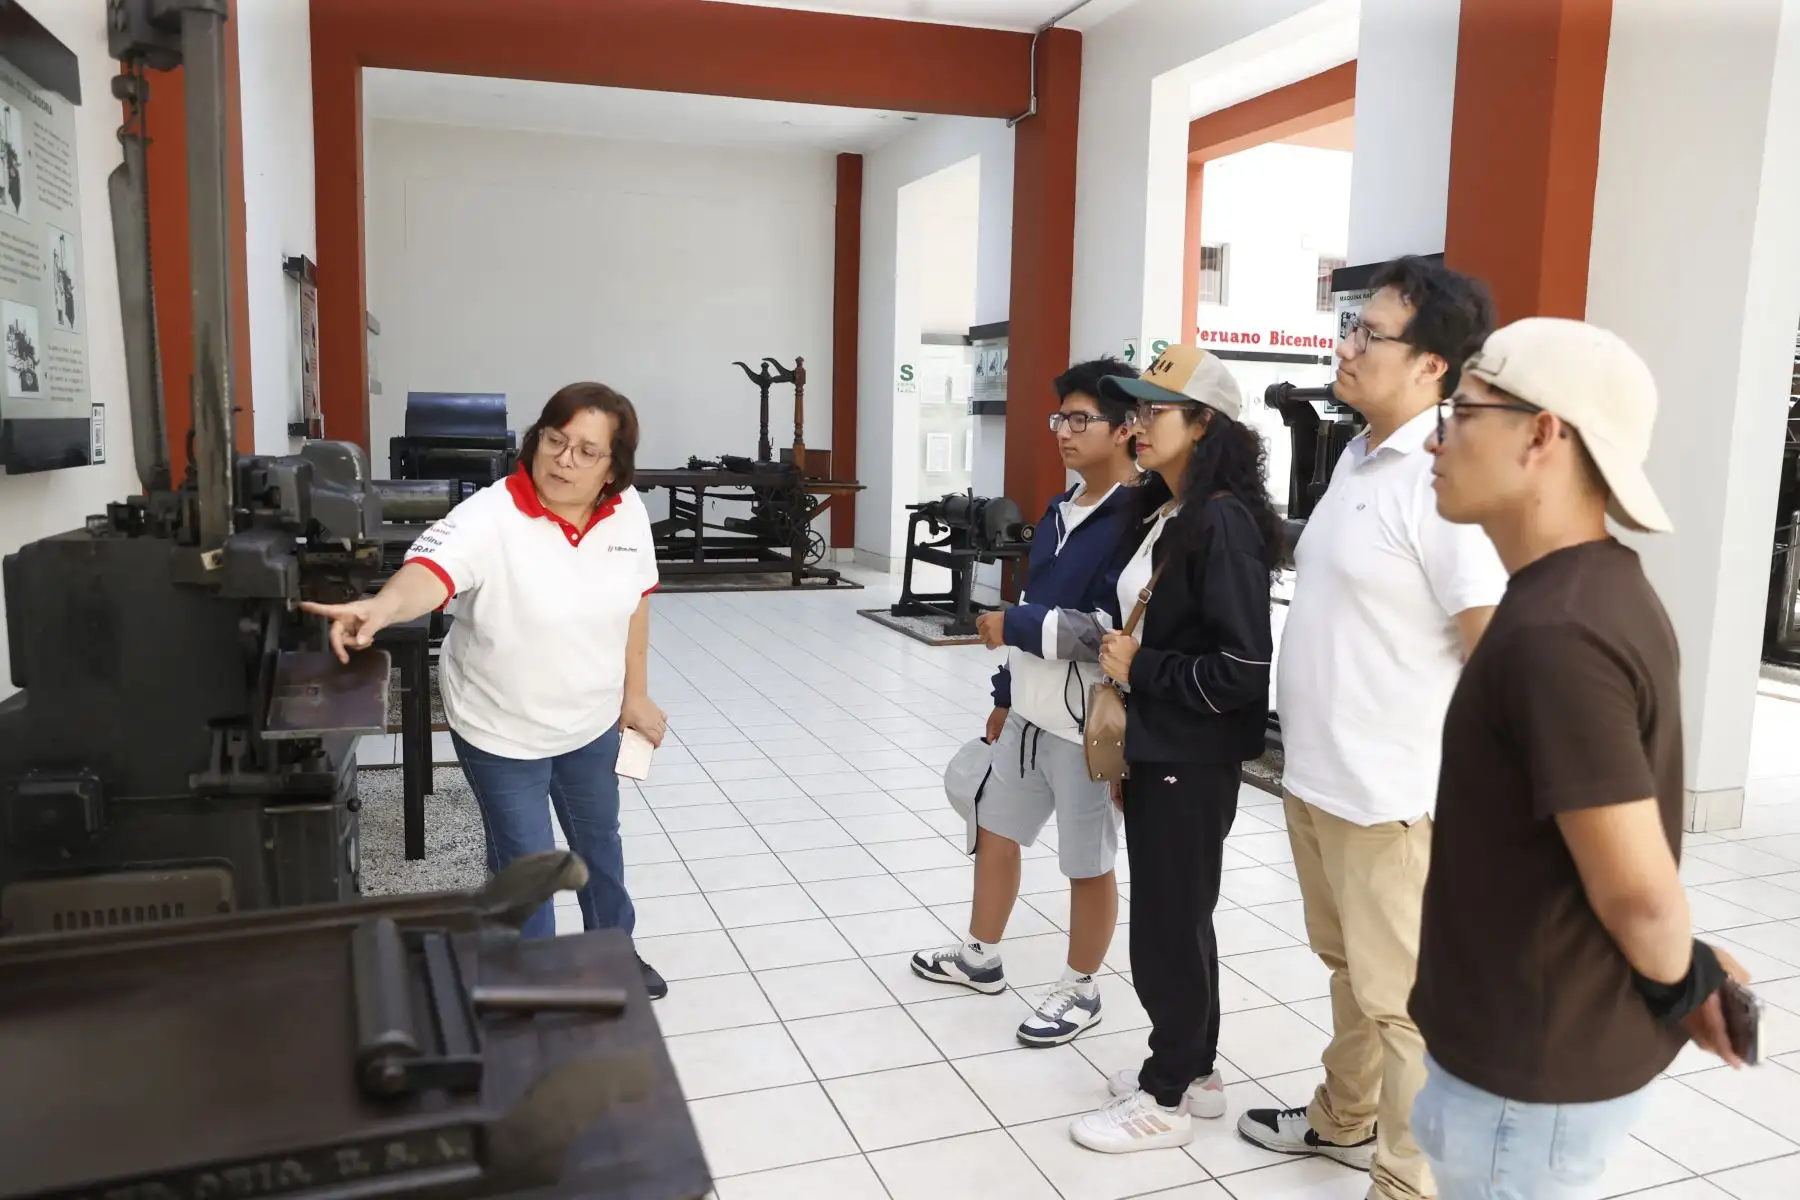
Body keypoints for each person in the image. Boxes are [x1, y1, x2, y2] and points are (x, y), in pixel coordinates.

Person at [1410, 317, 1751, 1198]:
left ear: (1542, 433)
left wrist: (1686, 983)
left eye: (1459, 411)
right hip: (1527, 1060)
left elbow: (1636, 892)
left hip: (1524, 1089)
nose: (1434, 439)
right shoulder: (1596, 590)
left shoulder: (1557, 631)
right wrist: (1691, 968)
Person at [1238, 258, 1503, 1200]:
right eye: (1348, 328)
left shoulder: (1447, 483)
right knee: (1348, 967)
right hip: (1318, 780)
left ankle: (1408, 1180)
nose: (1343, 346)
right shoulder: (1359, 453)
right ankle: (1342, 1117)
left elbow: (1495, 654)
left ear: (1433, 365)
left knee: (1406, 1009)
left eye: (1368, 334)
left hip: (1393, 795)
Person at [302, 383, 671, 999]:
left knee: (598, 847)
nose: (564, 460)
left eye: (586, 451)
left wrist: (636, 693)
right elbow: (428, 575)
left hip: (590, 721)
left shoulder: (626, 509)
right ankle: (534, 980)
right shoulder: (489, 515)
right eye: (555, 441)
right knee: (528, 866)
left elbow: (636, 602)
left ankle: (613, 950)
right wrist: (384, 607)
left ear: (613, 467)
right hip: (502, 731)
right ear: (536, 438)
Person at [1066, 345, 1280, 1153]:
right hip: (1163, 747)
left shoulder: (1219, 520)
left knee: (1167, 920)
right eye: (1137, 409)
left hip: (1190, 754)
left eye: (1156, 411)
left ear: (1206, 423)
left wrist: (1139, 666)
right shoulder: (1172, 510)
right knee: (1177, 914)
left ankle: (1166, 1097)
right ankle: (1194, 1070)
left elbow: (1243, 670)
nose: (1137, 424)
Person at [910, 357, 1146, 1047]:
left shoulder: (1136, 522)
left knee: (1087, 861)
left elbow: (1106, 629)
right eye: (1060, 419)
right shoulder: (1057, 511)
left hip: (1086, 728)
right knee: (996, 831)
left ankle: (1081, 987)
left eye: (1082, 420)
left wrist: (1011, 623)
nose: (1065, 432)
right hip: (1030, 718)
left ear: (1126, 428)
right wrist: (1005, 696)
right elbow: (1042, 606)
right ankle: (980, 955)